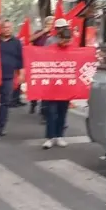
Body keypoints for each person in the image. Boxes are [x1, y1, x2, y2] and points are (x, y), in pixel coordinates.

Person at [41, 18, 73, 149]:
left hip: (65, 84)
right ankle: (49, 137)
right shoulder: (50, 42)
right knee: (51, 111)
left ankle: (59, 136)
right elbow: (42, 58)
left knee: (62, 111)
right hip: (52, 83)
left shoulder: (72, 44)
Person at [28, 16, 54, 116]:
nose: (50, 26)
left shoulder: (55, 35)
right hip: (37, 63)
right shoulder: (40, 32)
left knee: (45, 88)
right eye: (49, 24)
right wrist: (44, 31)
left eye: (52, 24)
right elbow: (30, 39)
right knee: (36, 86)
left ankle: (44, 111)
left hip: (49, 65)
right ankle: (33, 103)